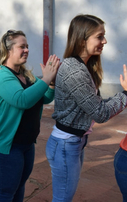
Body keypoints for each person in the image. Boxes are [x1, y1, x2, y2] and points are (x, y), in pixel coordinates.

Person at [45, 14, 127, 202]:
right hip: (66, 144)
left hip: (72, 143)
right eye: (99, 36)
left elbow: (96, 105)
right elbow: (100, 113)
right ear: (83, 39)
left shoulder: (83, 66)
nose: (104, 41)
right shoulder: (74, 70)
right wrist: (126, 94)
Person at [0, 30, 59, 201]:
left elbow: (45, 97)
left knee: (19, 185)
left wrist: (51, 81)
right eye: (22, 46)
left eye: (27, 47)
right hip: (6, 143)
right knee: (6, 189)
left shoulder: (25, 74)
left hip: (25, 142)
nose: (26, 50)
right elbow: (21, 100)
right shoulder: (1, 75)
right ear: (8, 50)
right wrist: (45, 79)